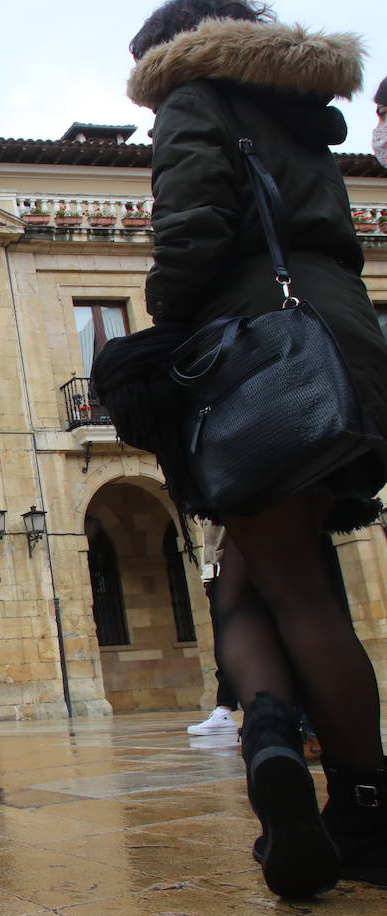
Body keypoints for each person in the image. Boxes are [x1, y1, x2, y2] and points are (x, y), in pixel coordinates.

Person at [112, 0, 387, 896]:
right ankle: (271, 741)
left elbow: (193, 222)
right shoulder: (303, 107)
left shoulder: (198, 98)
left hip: (259, 347)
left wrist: (168, 324)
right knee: (254, 571)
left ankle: (358, 805)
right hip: (339, 343)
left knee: (293, 585)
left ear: (172, 50)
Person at [187, 521, 238, 735]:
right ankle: (225, 707)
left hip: (231, 566)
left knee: (230, 641)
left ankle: (227, 708)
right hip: (217, 569)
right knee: (226, 643)